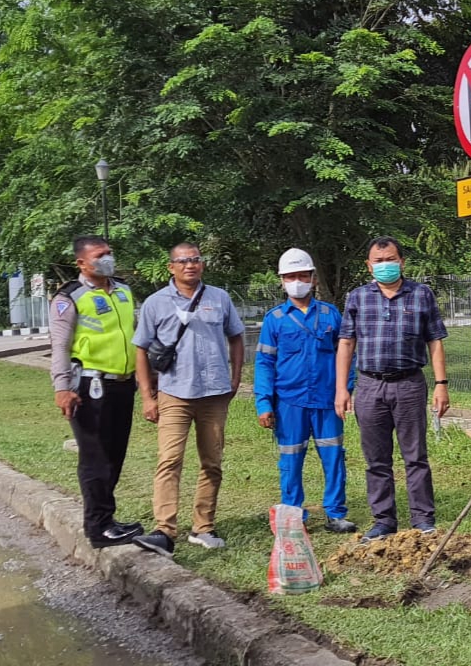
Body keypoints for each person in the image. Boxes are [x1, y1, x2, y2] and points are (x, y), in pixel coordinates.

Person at [132, 242, 245, 558]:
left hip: (214, 394)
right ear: (171, 267)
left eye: (195, 259)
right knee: (169, 460)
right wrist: (147, 397)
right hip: (174, 394)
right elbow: (141, 348)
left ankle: (203, 527)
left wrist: (235, 378)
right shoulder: (156, 303)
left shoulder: (219, 298)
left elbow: (236, 337)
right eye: (182, 261)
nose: (190, 265)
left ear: (202, 264)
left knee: (212, 461)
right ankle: (164, 531)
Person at [335, 237, 449, 543]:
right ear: (369, 265)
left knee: (416, 457)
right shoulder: (358, 297)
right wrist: (341, 390)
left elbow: (435, 341)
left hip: (410, 384)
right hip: (370, 386)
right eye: (378, 261)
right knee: (376, 459)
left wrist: (441, 385)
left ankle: (423, 520)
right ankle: (383, 520)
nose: (385, 265)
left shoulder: (421, 294)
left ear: (402, 261)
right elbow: (346, 344)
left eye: (390, 259)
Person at [254, 248, 357, 533]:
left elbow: (347, 354)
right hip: (289, 402)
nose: (296, 281)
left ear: (313, 279)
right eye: (290, 276)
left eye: (302, 275)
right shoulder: (274, 319)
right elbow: (264, 363)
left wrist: (345, 390)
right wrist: (263, 403)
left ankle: (335, 513)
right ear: (282, 281)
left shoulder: (330, 314)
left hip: (327, 400)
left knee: (334, 457)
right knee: (290, 459)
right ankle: (293, 514)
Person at [49, 236, 141, 548]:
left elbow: (134, 336)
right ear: (82, 263)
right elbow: (59, 345)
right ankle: (98, 528)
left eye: (110, 253)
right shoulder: (69, 297)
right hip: (89, 387)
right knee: (95, 458)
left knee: (115, 455)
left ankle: (106, 519)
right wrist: (62, 388)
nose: (107, 258)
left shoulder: (124, 290)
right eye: (100, 255)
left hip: (124, 384)